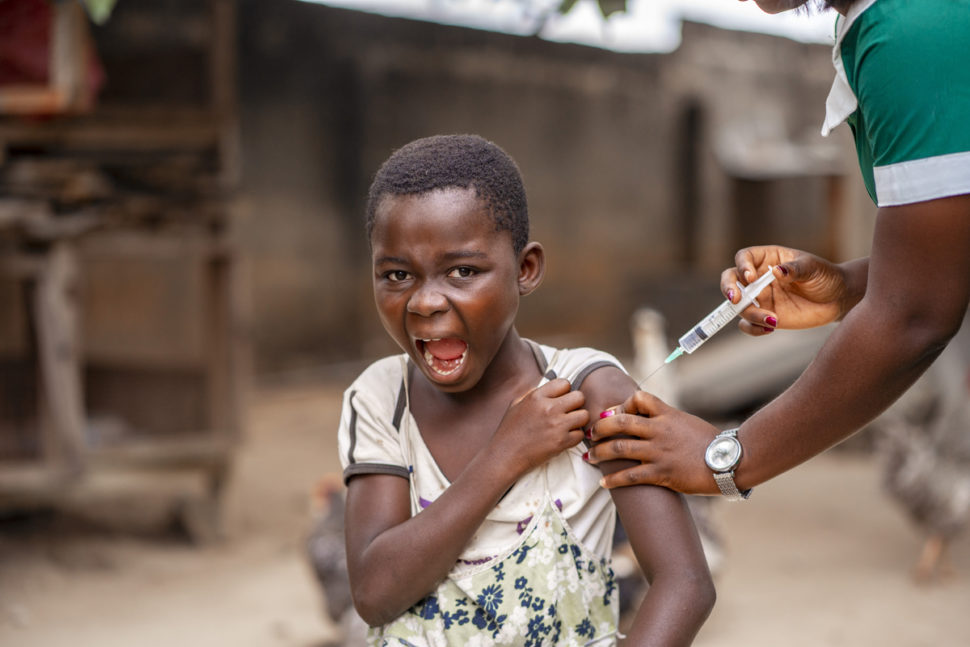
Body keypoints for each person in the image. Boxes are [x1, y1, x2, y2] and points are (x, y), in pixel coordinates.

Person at [337, 134, 715, 645]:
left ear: (525, 269)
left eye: (463, 271)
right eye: (397, 274)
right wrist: (506, 455)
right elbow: (375, 592)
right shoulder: (381, 397)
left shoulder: (587, 391)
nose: (425, 302)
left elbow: (684, 583)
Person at [586, 0, 970, 497]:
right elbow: (944, 266)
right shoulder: (891, 24)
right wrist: (849, 288)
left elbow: (915, 317)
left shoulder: (907, 30)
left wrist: (725, 456)